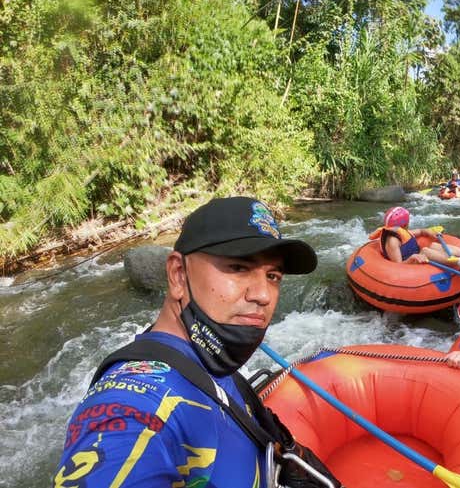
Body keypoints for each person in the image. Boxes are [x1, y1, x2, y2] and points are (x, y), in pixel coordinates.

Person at [54, 197, 341, 488]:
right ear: (178, 275)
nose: (263, 294)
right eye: (238, 267)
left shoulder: (211, 359)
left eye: (273, 275)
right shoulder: (131, 406)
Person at [369, 206, 460, 272]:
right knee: (425, 250)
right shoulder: (392, 241)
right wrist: (412, 258)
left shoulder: (400, 232)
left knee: (433, 245)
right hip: (409, 264)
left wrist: (428, 232)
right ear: (404, 224)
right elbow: (398, 265)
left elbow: (420, 231)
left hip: (415, 256)